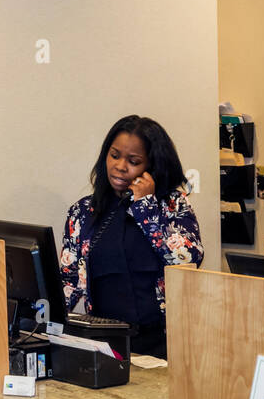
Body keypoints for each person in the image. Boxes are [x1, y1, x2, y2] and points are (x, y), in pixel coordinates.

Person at [61, 116, 203, 359]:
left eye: (134, 161)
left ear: (152, 167)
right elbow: (69, 280)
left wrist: (145, 206)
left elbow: (187, 259)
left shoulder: (172, 205)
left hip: (162, 342)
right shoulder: (83, 212)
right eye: (115, 155)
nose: (121, 166)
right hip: (104, 343)